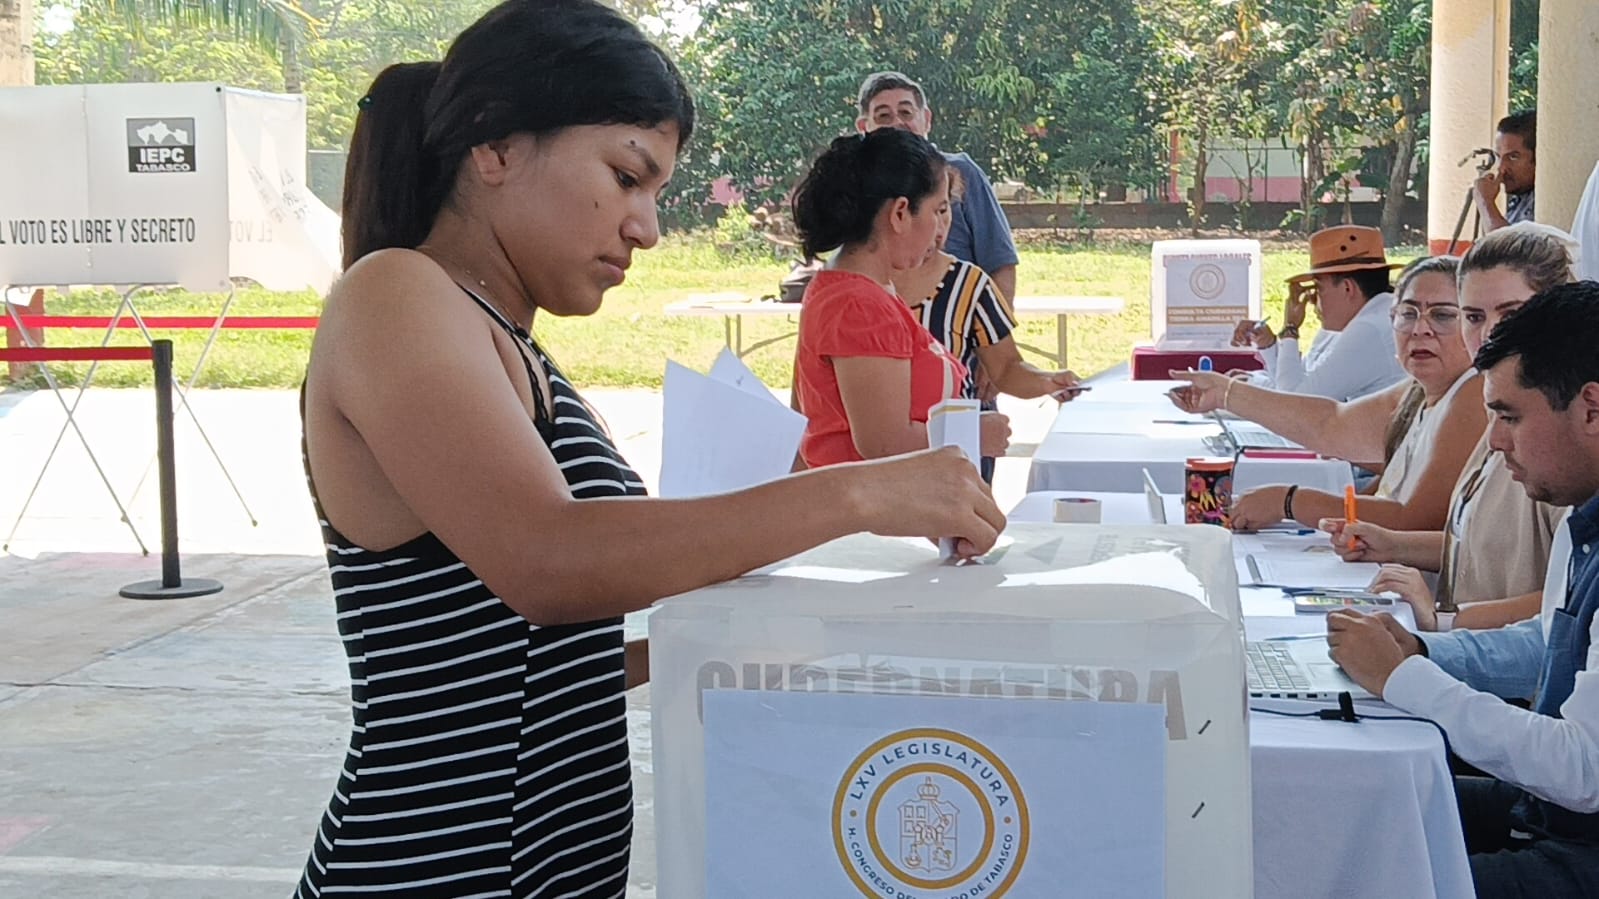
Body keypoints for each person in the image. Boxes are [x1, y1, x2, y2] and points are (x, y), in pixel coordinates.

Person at [296, 3, 1004, 895]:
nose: (647, 226)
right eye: (628, 176)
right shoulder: (394, 294)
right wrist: (861, 494)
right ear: (495, 148)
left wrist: (722, 641)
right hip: (436, 868)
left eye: (658, 191)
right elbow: (546, 560)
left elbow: (516, 657)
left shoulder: (505, 339)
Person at [1326, 280, 1599, 896]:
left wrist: (1405, 681)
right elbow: (1546, 643)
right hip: (1552, 813)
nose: (1496, 440)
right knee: (1353, 798)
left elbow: (1583, 770)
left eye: (1508, 416)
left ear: (1590, 407)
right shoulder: (1582, 522)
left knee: (1357, 879)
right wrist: (1424, 650)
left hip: (1582, 847)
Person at [1325, 224, 1578, 631]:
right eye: (1473, 316)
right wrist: (1393, 544)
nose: (1490, 333)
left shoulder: (1570, 433)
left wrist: (1444, 620)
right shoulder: (1493, 405)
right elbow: (1484, 551)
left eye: (1512, 314)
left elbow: (1569, 598)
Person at [1169, 255, 1484, 532]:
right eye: (1408, 314)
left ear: (1477, 325)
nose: (1420, 329)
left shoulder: (1471, 394)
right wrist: (1226, 393)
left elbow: (1413, 520)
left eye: (1442, 315)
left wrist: (1290, 502)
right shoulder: (1418, 390)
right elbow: (1331, 423)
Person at [789, 130, 1009, 469]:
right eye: (937, 211)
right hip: (874, 514)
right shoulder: (859, 305)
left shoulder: (860, 289)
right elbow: (884, 443)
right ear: (900, 213)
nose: (941, 229)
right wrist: (974, 434)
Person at [891, 169, 1080, 481]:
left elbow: (1006, 368)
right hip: (877, 475)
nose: (939, 227)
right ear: (898, 215)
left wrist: (1049, 381)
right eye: (930, 212)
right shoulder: (860, 289)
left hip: (954, 467)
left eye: (945, 210)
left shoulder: (970, 285)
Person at [856, 71, 1019, 304]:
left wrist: (991, 330)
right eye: (883, 116)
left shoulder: (960, 172)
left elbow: (1000, 262)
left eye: (906, 112)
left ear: (926, 119)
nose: (897, 123)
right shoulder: (856, 184)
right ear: (864, 127)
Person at [1231, 225, 1409, 401]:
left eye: (1318, 288)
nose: (1312, 299)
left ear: (1348, 288)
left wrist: (1290, 329)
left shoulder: (1370, 328)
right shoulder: (1371, 317)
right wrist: (1269, 347)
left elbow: (1295, 403)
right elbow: (1300, 381)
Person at [1473, 110, 1538, 232]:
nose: (1501, 168)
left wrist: (1486, 203)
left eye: (1513, 157)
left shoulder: (1542, 200)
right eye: (1498, 156)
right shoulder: (1521, 195)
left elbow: (1506, 248)